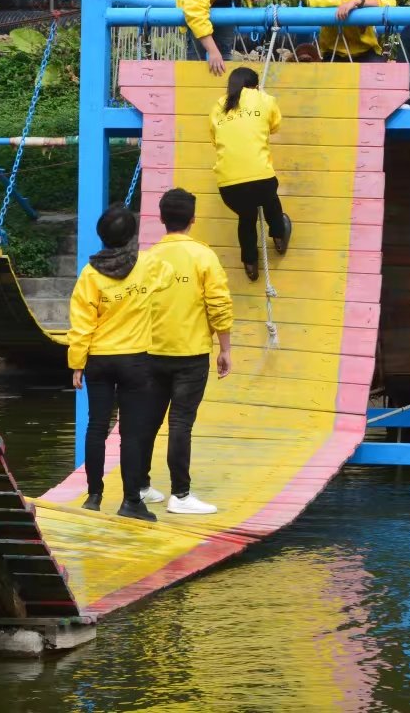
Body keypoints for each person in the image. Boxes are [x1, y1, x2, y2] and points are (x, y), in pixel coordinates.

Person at [66, 203, 167, 521]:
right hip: (135, 359)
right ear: (132, 234)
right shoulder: (147, 264)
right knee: (132, 432)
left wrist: (77, 363)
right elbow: (167, 281)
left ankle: (94, 496)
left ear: (101, 235)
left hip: (98, 359)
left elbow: (82, 323)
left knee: (96, 426)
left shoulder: (90, 274)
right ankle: (131, 501)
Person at [139, 187, 234, 515]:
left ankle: (140, 486)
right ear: (193, 219)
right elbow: (219, 304)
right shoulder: (204, 256)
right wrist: (225, 348)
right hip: (190, 354)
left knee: (147, 421)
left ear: (161, 218)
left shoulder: (148, 258)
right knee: (180, 423)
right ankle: (180, 495)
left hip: (150, 351)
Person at [210, 67, 290, 282]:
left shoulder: (219, 105)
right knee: (271, 200)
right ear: (256, 85)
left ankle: (250, 264)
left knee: (246, 217)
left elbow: (215, 140)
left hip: (228, 186)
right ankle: (279, 235)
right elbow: (275, 126)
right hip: (260, 179)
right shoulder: (263, 98)